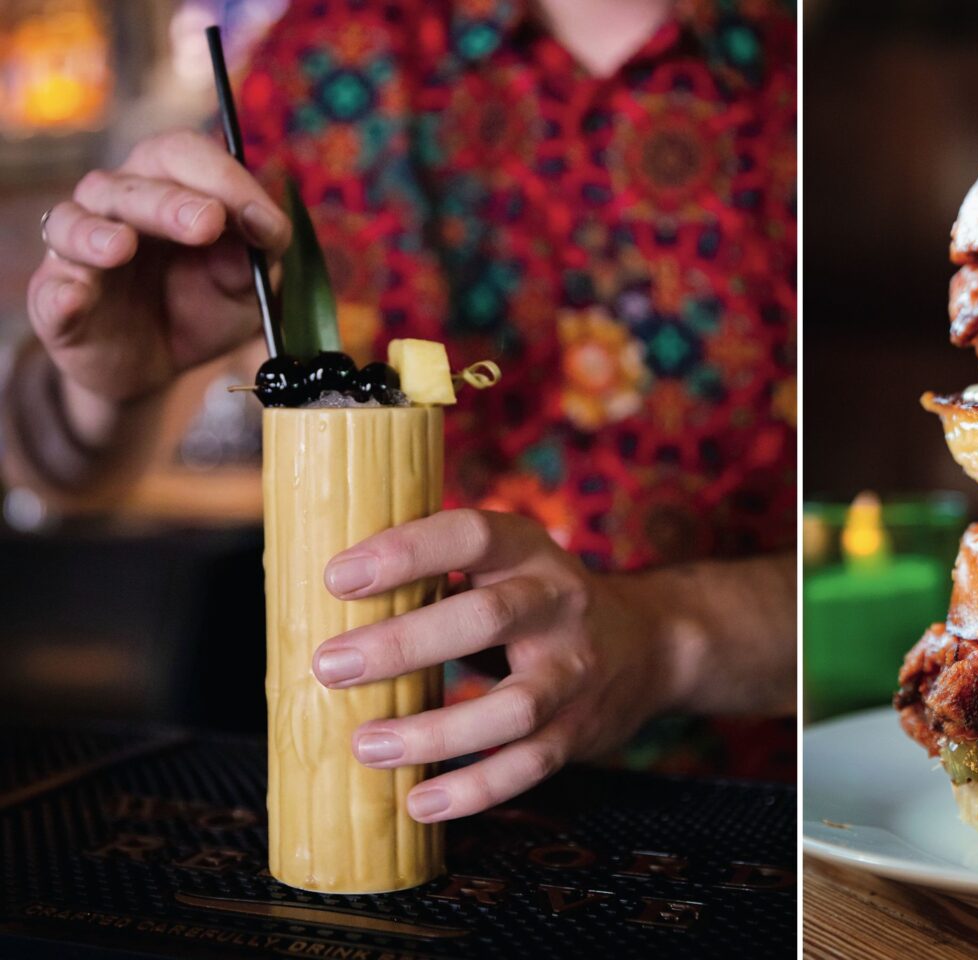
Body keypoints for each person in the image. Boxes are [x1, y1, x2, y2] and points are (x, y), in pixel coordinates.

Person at [4, 0, 795, 823]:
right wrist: (107, 385)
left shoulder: (804, 61)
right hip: (382, 802)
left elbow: (884, 567)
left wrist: (663, 638)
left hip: (767, 820)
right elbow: (60, 477)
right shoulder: (328, 56)